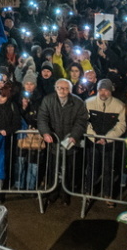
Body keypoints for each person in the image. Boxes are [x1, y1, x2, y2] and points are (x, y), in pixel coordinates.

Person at [37, 78, 89, 207]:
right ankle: (52, 193)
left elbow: (81, 121)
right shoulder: (48, 100)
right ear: (55, 88)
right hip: (53, 141)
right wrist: (45, 132)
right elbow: (42, 117)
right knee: (53, 168)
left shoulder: (78, 102)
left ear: (70, 90)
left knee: (68, 169)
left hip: (70, 141)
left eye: (65, 88)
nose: (62, 90)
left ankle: (65, 194)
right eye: (59, 87)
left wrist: (74, 136)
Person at [84, 79, 126, 204]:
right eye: (101, 90)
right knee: (91, 167)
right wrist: (94, 137)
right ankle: (88, 192)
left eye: (106, 90)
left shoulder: (119, 105)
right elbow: (84, 121)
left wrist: (107, 138)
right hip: (93, 141)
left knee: (109, 169)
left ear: (111, 91)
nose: (103, 93)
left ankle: (108, 195)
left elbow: (121, 125)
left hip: (110, 143)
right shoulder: (88, 103)